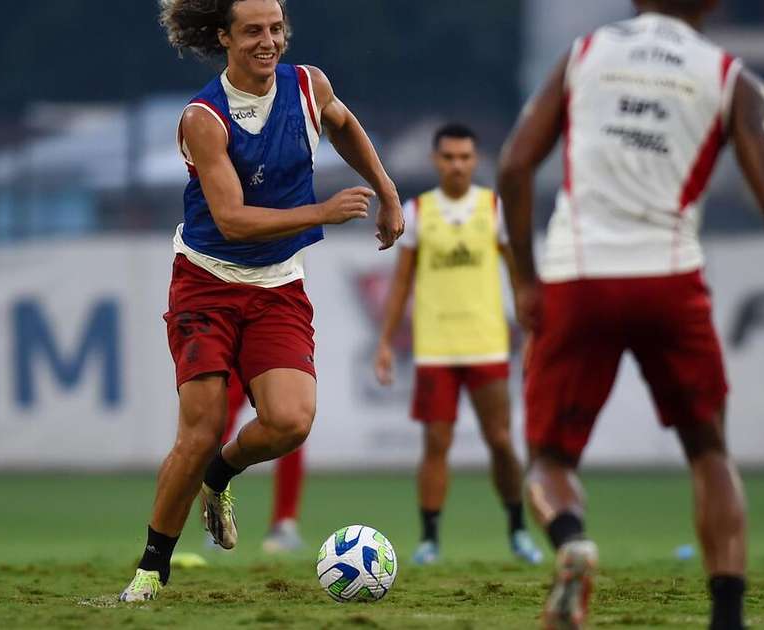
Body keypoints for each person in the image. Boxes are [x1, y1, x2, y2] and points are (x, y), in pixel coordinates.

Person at [497, 1, 764, 628]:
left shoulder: (583, 57)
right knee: (709, 451)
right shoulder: (730, 79)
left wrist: (525, 280)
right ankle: (727, 614)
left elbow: (513, 164)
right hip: (669, 278)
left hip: (579, 277)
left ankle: (572, 544)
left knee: (550, 459)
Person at [120, 0, 403, 602]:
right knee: (198, 431)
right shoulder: (203, 118)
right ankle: (150, 572)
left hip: (278, 286)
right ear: (224, 37)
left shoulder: (309, 85)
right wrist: (323, 211)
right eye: (252, 31)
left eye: (275, 28)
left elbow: (345, 125)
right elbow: (231, 221)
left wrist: (387, 189)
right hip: (206, 282)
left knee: (291, 422)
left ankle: (221, 475)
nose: (268, 40)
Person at [373, 124, 543, 566]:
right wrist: (387, 342)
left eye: (465, 157)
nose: (457, 165)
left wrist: (533, 333)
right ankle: (429, 540)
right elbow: (402, 283)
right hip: (436, 349)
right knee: (435, 443)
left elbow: (519, 275)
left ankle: (518, 529)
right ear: (436, 160)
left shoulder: (493, 209)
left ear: (476, 159)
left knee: (502, 441)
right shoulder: (418, 212)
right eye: (449, 157)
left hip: (487, 345)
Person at [218, 372, 306, 553]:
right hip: (235, 346)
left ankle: (285, 522)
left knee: (289, 421)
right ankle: (216, 520)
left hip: (275, 346)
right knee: (221, 422)